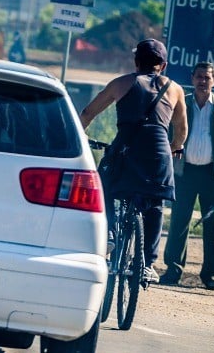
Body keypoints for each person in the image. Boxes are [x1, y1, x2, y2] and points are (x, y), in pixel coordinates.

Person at [79, 38, 188, 283]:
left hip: (126, 150)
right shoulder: (175, 89)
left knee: (102, 186)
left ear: (136, 61)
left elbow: (87, 113)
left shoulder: (121, 83)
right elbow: (181, 129)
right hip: (158, 154)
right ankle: (148, 263)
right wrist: (173, 149)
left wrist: (81, 137)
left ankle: (108, 233)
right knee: (156, 203)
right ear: (164, 64)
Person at [160, 62, 214, 290]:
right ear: (192, 79)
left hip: (213, 176)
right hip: (183, 173)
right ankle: (173, 270)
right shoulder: (181, 103)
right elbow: (166, 136)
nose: (203, 81)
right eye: (199, 77)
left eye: (207, 77)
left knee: (212, 227)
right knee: (178, 223)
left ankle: (211, 276)